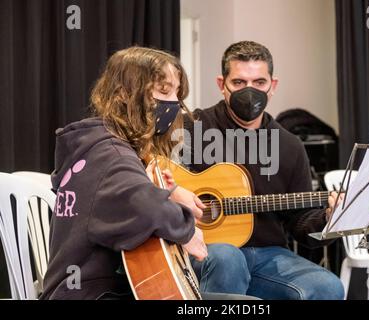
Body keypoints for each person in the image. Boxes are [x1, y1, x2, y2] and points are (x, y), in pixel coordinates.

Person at [40, 46, 211, 300]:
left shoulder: (97, 148)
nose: (174, 102)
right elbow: (146, 208)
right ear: (123, 94)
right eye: (164, 91)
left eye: (177, 93)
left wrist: (164, 192)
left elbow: (127, 201)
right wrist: (186, 229)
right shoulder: (111, 155)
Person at [184, 41, 345, 300]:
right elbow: (157, 180)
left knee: (328, 287)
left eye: (259, 83)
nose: (250, 92)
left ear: (273, 86)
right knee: (228, 257)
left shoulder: (289, 145)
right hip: (204, 250)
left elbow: (301, 223)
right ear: (221, 84)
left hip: (268, 255)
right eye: (239, 83)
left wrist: (329, 218)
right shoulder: (191, 127)